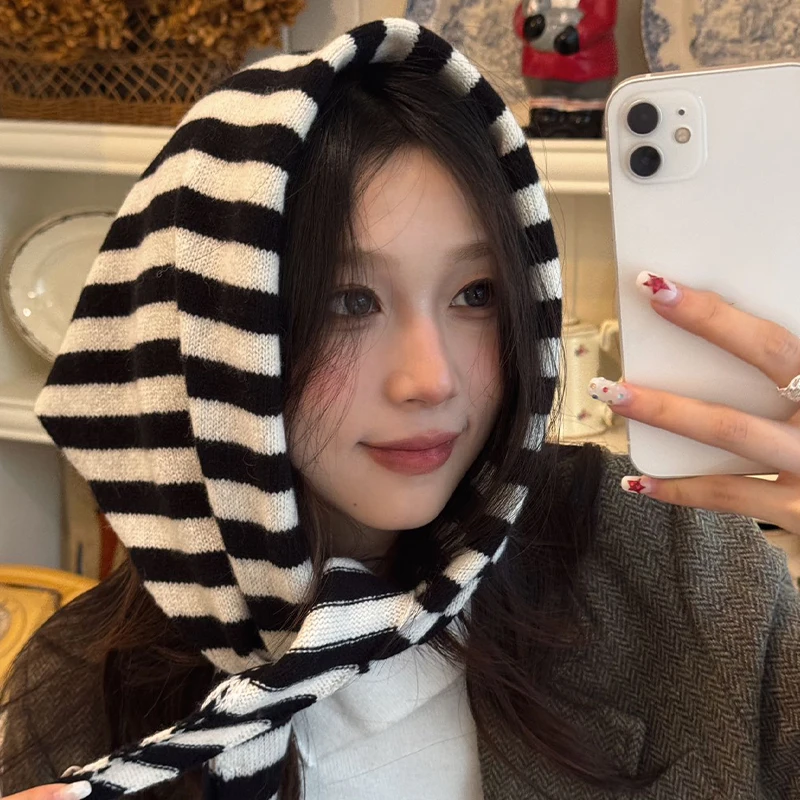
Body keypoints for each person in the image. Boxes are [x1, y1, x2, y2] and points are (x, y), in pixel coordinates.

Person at [1, 17, 799, 800]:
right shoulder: (81, 690)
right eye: (350, 302)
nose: (432, 379)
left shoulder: (675, 561)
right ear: (214, 334)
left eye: (476, 293)